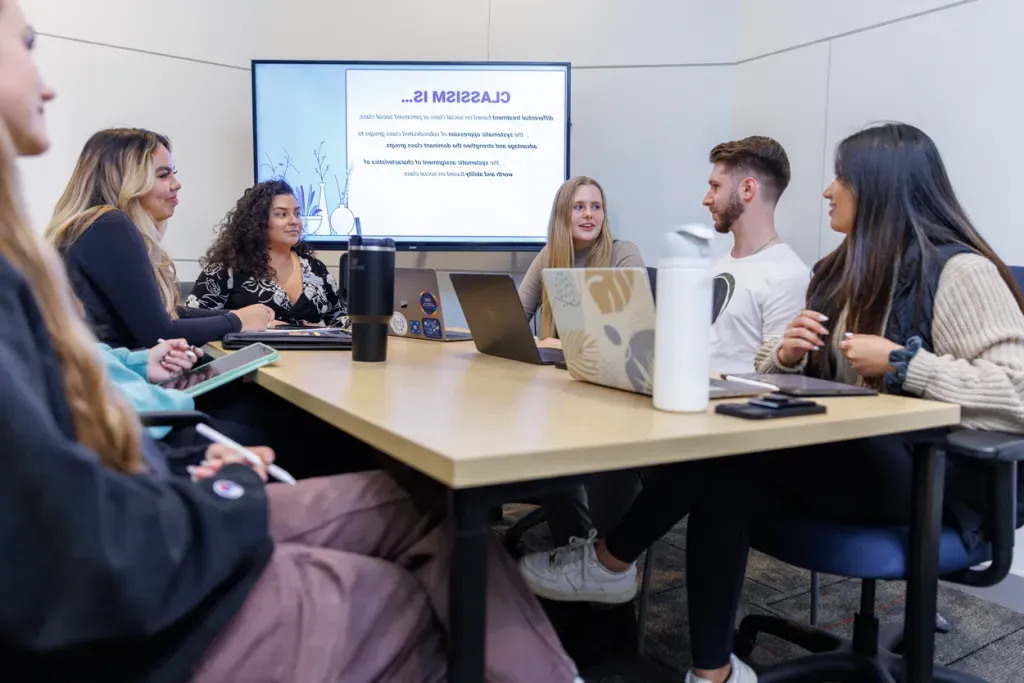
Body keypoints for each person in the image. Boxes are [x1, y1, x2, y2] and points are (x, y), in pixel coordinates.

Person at [0, 4, 583, 681]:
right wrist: (222, 485)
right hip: (157, 590)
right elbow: (72, 530)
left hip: (153, 505)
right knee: (433, 591)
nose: (48, 84)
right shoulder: (94, 238)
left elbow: (68, 434)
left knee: (428, 503)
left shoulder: (40, 256)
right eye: (28, 45)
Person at [519, 123, 1024, 683]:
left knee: (721, 459)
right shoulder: (841, 272)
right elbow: (794, 370)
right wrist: (785, 354)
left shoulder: (958, 272)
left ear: (881, 188)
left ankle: (611, 564)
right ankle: (712, 672)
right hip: (862, 453)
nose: (828, 192)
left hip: (939, 478)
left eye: (841, 179)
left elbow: (1018, 392)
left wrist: (905, 364)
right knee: (722, 468)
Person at [44, 127, 274, 349]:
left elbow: (158, 313)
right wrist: (238, 321)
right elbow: (160, 333)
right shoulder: (110, 225)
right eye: (164, 175)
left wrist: (236, 315)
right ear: (126, 181)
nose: (176, 184)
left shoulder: (90, 227)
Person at [518, 175, 645, 547]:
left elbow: (632, 332)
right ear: (563, 215)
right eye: (579, 207)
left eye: (596, 206)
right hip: (560, 389)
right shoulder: (549, 257)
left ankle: (597, 554)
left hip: (613, 392)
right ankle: (574, 544)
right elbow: (516, 314)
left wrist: (564, 341)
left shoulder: (624, 254)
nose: (589, 215)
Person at [702, 136, 810, 374]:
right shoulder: (717, 264)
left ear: (747, 189)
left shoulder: (788, 277)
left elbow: (782, 376)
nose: (706, 199)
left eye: (716, 186)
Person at [186, 180, 350, 329]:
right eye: (282, 214)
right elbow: (193, 323)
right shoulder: (227, 269)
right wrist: (246, 324)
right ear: (258, 222)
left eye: (297, 213)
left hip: (309, 360)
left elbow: (341, 319)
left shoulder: (315, 268)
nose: (295, 221)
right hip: (250, 359)